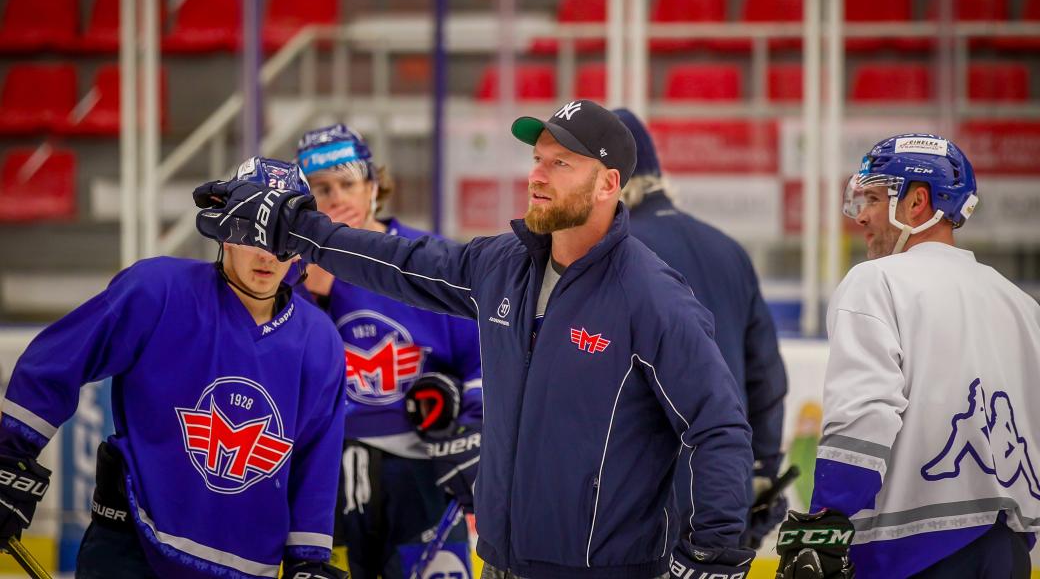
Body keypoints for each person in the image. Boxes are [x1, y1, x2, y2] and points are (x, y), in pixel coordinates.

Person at [194, 99, 756, 579]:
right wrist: (301, 230)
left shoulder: (651, 296)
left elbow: (717, 426)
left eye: (561, 164)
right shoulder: (505, 266)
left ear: (608, 183)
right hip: (503, 563)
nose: (537, 175)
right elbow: (401, 261)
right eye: (537, 160)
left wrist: (714, 548)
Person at [0, 157, 348, 579]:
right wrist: (9, 454)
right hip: (131, 553)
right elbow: (59, 359)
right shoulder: (158, 290)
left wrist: (308, 560)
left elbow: (317, 459)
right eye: (252, 230)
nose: (268, 253)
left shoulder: (320, 341)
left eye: (283, 235)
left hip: (246, 569)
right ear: (224, 227)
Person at [775, 134, 1039, 579]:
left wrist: (828, 516)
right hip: (1009, 549)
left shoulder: (876, 282)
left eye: (874, 198)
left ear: (918, 202)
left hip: (909, 552)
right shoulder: (1022, 304)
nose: (861, 216)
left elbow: (865, 410)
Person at [294, 124, 482, 579]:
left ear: (373, 186)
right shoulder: (287, 274)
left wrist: (473, 428)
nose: (336, 198)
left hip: (425, 471)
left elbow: (481, 358)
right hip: (327, 474)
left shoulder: (427, 260)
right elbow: (279, 375)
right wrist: (309, 298)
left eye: (347, 184)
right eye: (321, 189)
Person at [612, 108, 789, 549]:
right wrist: (761, 472)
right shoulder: (728, 249)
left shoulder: (615, 254)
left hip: (638, 504)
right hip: (721, 493)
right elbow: (765, 379)